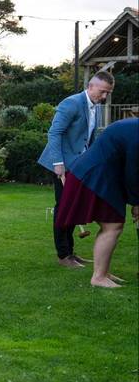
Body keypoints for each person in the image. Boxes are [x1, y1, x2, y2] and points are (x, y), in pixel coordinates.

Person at [37, 71, 115, 269]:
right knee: (63, 208)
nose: (104, 97)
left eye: (108, 93)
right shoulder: (71, 103)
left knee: (71, 206)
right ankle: (63, 255)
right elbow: (54, 133)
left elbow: (88, 139)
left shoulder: (94, 108)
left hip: (77, 166)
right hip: (61, 164)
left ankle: (70, 252)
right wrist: (57, 163)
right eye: (102, 91)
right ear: (90, 86)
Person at [55, 118, 138, 288]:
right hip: (93, 177)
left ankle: (103, 273)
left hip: (94, 175)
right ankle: (98, 277)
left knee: (111, 225)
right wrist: (136, 203)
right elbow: (133, 172)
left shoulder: (133, 126)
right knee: (112, 226)